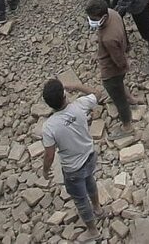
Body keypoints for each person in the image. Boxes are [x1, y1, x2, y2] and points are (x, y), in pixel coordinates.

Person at [38, 79, 103, 230]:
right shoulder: (80, 105)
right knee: (90, 181)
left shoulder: (49, 127)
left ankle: (93, 231)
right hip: (89, 156)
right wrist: (77, 85)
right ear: (64, 95)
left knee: (80, 200)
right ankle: (98, 209)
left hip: (73, 169)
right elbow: (98, 93)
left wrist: (45, 171)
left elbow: (49, 155)